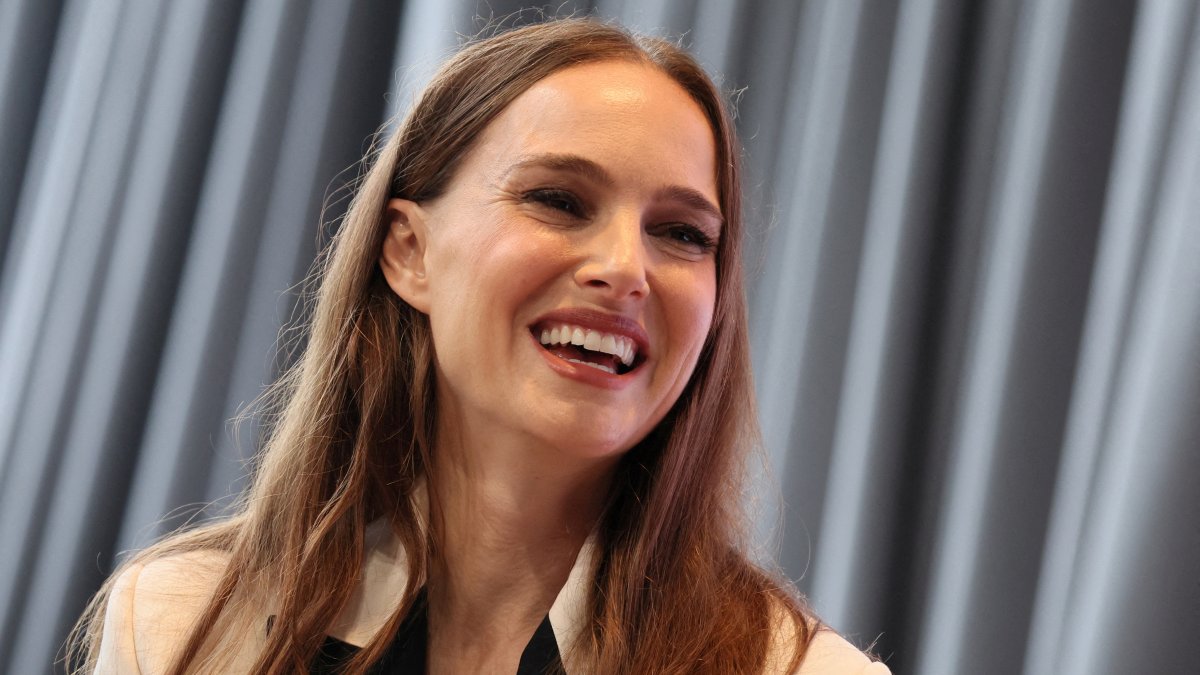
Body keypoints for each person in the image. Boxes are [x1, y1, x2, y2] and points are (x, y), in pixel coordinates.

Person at [72, 17, 891, 674]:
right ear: (408, 250)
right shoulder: (180, 625)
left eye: (682, 232)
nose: (624, 269)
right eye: (559, 200)